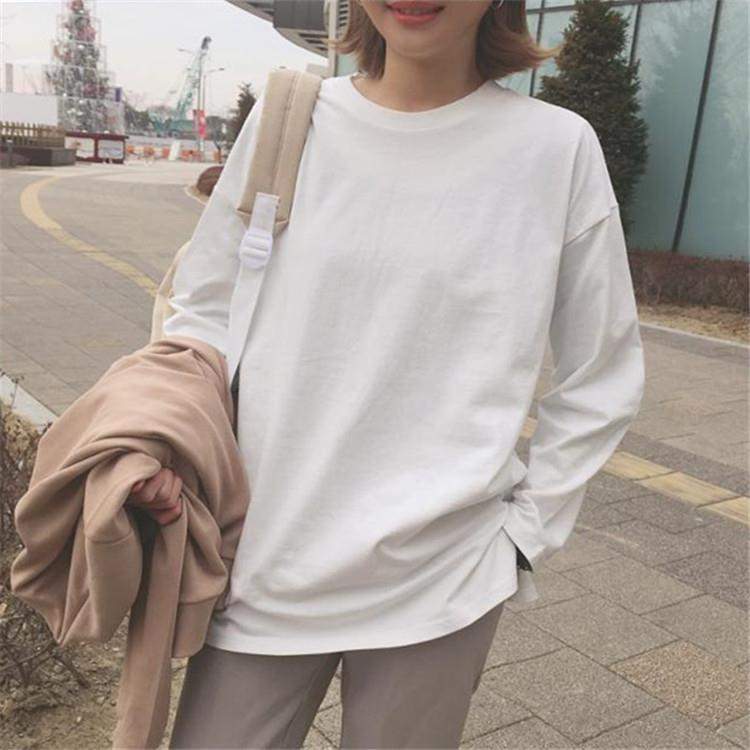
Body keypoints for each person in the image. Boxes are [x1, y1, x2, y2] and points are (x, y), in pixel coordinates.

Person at [127, 0, 646, 747]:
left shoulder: (556, 149)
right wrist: (168, 442)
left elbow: (602, 368)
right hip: (262, 561)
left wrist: (527, 535)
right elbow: (205, 307)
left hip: (441, 579)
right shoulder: (290, 120)